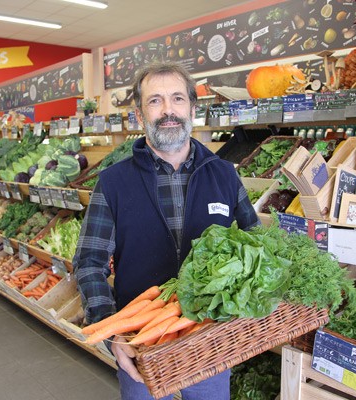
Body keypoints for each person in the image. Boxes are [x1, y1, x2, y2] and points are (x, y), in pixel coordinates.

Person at [72, 61, 260, 400]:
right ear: (140, 116)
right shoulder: (113, 183)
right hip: (142, 342)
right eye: (155, 100)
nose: (168, 110)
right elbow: (89, 261)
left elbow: (258, 246)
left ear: (192, 108)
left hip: (209, 341)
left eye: (177, 98)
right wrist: (112, 331)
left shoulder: (225, 175)